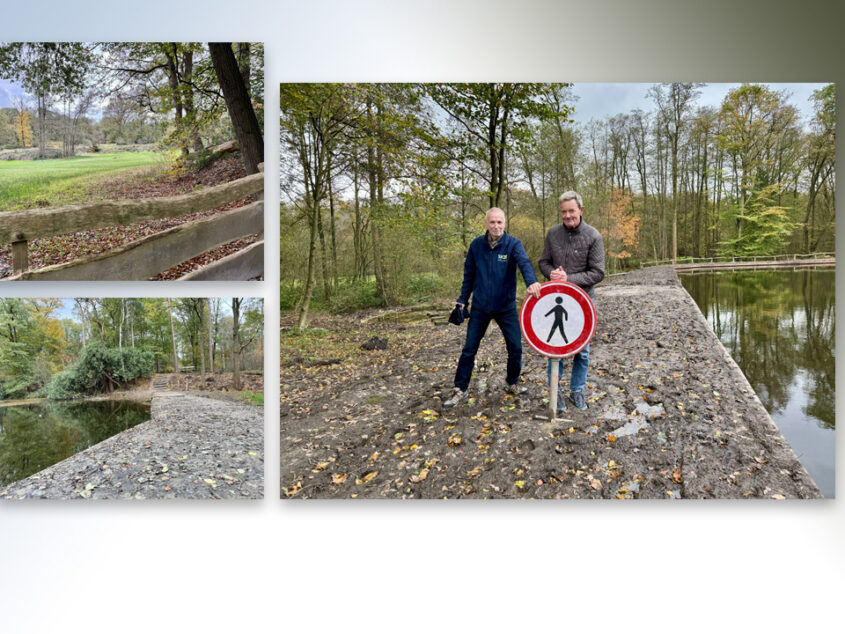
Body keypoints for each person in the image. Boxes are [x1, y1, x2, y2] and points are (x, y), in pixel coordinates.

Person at [443, 208, 542, 408]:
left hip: (505, 306)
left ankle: (512, 381)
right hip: (480, 307)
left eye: (499, 222)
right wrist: (463, 299)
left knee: (515, 347)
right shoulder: (476, 246)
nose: (496, 226)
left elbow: (524, 263)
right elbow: (469, 275)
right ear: (486, 224)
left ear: (505, 223)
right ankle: (459, 389)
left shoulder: (513, 244)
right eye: (492, 223)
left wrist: (531, 282)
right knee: (469, 349)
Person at [538, 191, 604, 411]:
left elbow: (598, 273)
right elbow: (543, 262)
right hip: (556, 299)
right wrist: (552, 275)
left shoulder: (593, 236)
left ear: (581, 210)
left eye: (571, 211)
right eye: (564, 211)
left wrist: (570, 279)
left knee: (581, 351)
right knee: (555, 348)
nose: (567, 215)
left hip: (584, 302)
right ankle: (555, 393)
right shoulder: (553, 234)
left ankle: (577, 390)